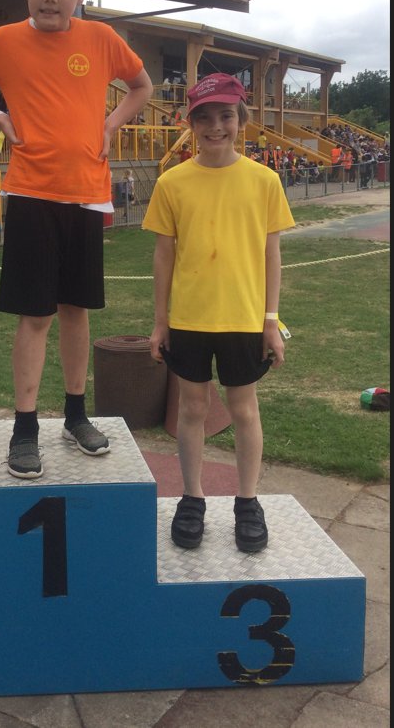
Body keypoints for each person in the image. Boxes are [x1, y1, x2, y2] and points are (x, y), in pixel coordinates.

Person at [0, 0, 153, 479]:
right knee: (35, 315)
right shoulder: (2, 41)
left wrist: (111, 123)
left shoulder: (102, 39)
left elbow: (141, 84)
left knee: (76, 312)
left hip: (87, 195)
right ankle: (24, 428)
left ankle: (75, 415)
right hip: (32, 193)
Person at [142, 73, 294, 553]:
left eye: (226, 116)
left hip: (244, 319)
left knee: (243, 410)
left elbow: (272, 255)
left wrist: (271, 321)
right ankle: (193, 497)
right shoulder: (172, 182)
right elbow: (164, 256)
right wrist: (160, 321)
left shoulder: (264, 181)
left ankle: (247, 502)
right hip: (189, 318)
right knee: (191, 409)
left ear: (241, 121)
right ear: (191, 125)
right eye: (204, 118)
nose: (215, 127)